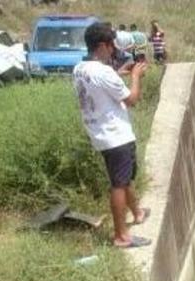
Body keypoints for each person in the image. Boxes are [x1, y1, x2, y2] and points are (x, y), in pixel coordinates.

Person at [73, 22, 151, 249]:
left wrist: (119, 74)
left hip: (99, 134)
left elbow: (96, 82)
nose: (113, 50)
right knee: (119, 183)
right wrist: (135, 76)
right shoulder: (104, 72)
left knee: (123, 177)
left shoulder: (79, 68)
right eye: (111, 46)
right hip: (116, 135)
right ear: (101, 46)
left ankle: (137, 213)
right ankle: (121, 236)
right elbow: (132, 100)